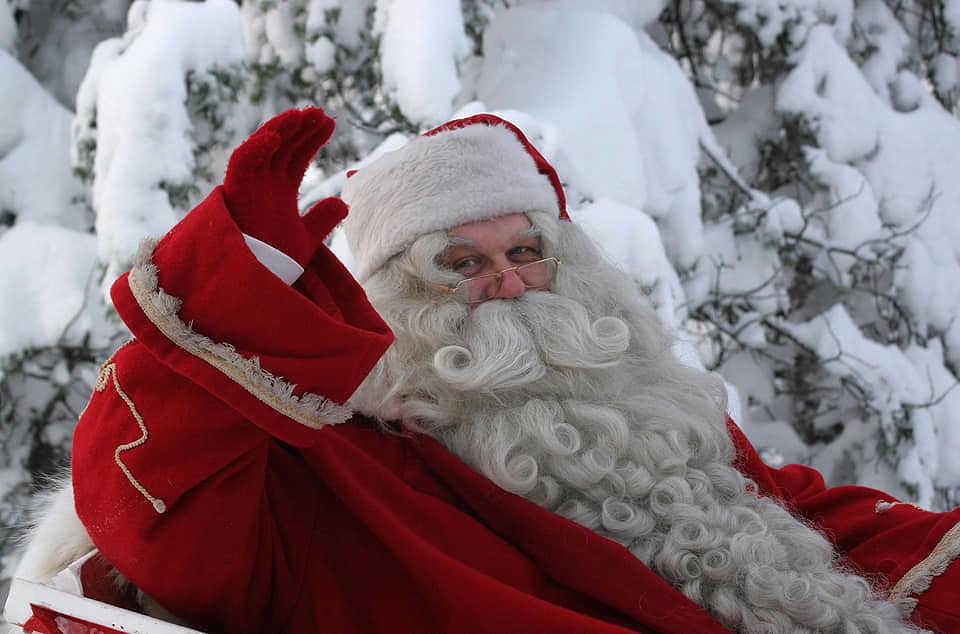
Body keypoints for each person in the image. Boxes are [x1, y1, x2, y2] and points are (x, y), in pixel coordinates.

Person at [14, 107, 960, 633]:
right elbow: (156, 522)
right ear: (391, 304)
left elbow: (779, 511)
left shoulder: (633, 406)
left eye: (527, 250)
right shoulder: (336, 471)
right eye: (459, 264)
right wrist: (243, 296)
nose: (508, 281)